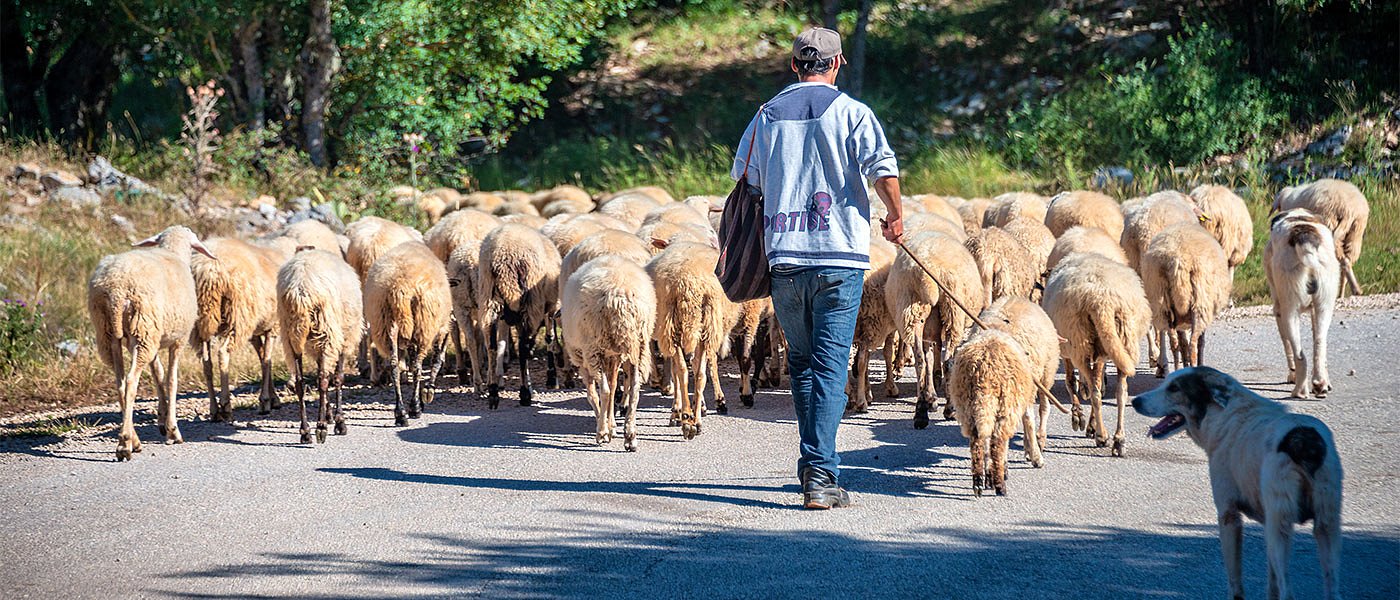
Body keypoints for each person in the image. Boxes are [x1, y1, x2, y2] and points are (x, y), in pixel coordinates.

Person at [730, 27, 904, 510]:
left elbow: (746, 180)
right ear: (838, 62)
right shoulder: (853, 112)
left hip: (784, 257)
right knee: (829, 366)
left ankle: (813, 467)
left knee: (804, 364)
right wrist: (895, 217)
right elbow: (883, 170)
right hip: (838, 256)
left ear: (794, 66)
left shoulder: (765, 116)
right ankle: (821, 475)